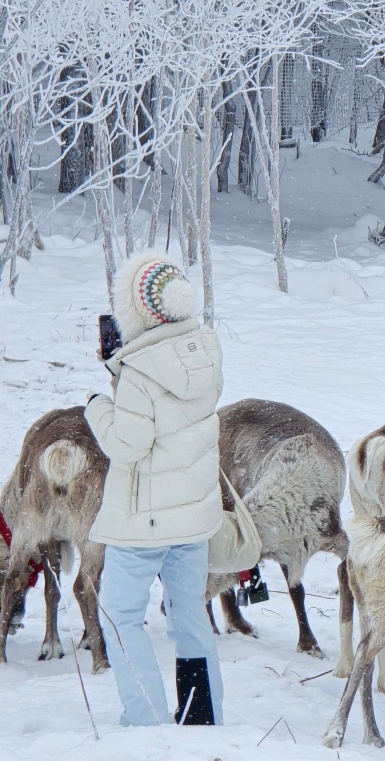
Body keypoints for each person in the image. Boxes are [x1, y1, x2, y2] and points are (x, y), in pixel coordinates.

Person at [86, 253, 225, 726]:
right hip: (193, 517)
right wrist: (123, 373)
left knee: (121, 616)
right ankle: (202, 715)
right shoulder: (205, 349)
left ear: (139, 311)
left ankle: (144, 716)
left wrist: (98, 406)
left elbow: (128, 444)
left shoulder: (140, 371)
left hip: (144, 522)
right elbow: (172, 409)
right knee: (189, 617)